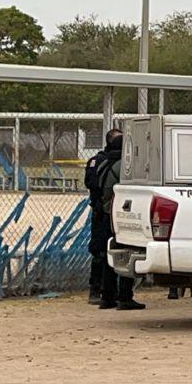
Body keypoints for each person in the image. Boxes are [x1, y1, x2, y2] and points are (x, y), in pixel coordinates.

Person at [94, 131, 144, 311]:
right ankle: (125, 296)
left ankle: (107, 296)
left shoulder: (103, 163)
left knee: (110, 254)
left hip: (105, 213)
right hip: (121, 214)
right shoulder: (126, 166)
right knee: (128, 251)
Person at [83, 128, 123, 305]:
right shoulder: (99, 161)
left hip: (110, 211)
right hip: (102, 211)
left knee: (114, 250)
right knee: (100, 250)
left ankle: (113, 291)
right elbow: (91, 183)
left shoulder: (117, 163)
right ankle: (95, 289)